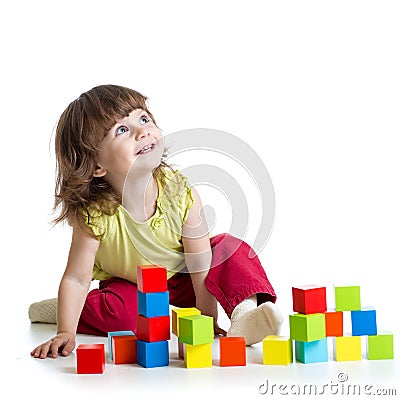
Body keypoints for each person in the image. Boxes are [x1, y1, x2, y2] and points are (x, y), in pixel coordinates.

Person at [30, 84, 283, 359]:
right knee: (123, 318)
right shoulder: (94, 216)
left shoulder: (181, 194)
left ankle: (246, 316)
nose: (142, 131)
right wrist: (66, 330)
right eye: (122, 130)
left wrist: (206, 317)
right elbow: (77, 279)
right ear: (96, 166)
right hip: (131, 285)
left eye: (143, 118)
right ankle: (63, 310)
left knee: (230, 249)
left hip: (184, 279)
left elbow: (199, 263)